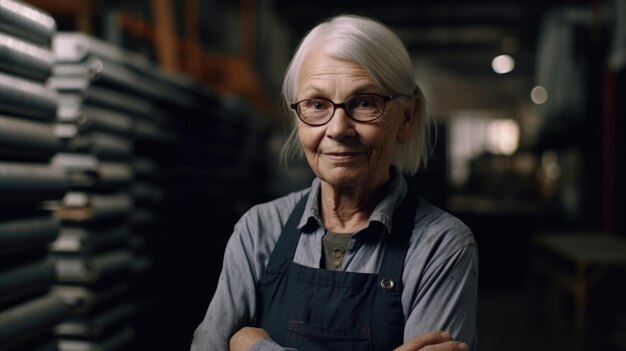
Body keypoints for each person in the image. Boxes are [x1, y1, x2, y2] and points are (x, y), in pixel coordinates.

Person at [191, 14, 478, 351]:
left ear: (406, 118)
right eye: (316, 104)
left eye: (365, 103)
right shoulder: (258, 231)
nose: (338, 129)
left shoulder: (441, 248)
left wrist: (257, 347)